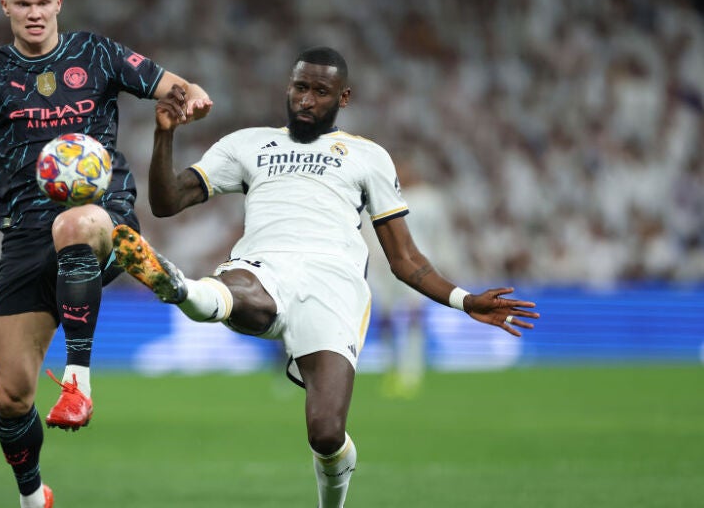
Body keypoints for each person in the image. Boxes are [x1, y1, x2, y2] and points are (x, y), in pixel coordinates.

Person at [111, 46, 539, 508]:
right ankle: (180, 287)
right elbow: (166, 201)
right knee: (236, 292)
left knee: (327, 433)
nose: (306, 100)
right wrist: (164, 137)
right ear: (288, 87)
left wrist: (464, 300)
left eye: (320, 91)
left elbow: (405, 258)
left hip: (334, 286)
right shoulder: (247, 144)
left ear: (344, 97)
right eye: (299, 87)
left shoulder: (367, 156)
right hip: (263, 265)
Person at [0, 0, 211, 508]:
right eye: (23, 4)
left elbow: (171, 83)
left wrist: (193, 93)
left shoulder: (95, 53)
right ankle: (34, 499)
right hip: (25, 234)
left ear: (59, 3)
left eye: (43, 3)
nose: (34, 14)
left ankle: (78, 378)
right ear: (5, 8)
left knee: (79, 220)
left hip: (99, 213)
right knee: (11, 396)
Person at [362, 158, 461, 398]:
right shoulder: (379, 196)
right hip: (385, 266)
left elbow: (441, 234)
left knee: (415, 315)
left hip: (419, 264)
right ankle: (391, 366)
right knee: (386, 319)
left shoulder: (429, 199)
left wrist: (448, 263)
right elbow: (368, 231)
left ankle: (412, 370)